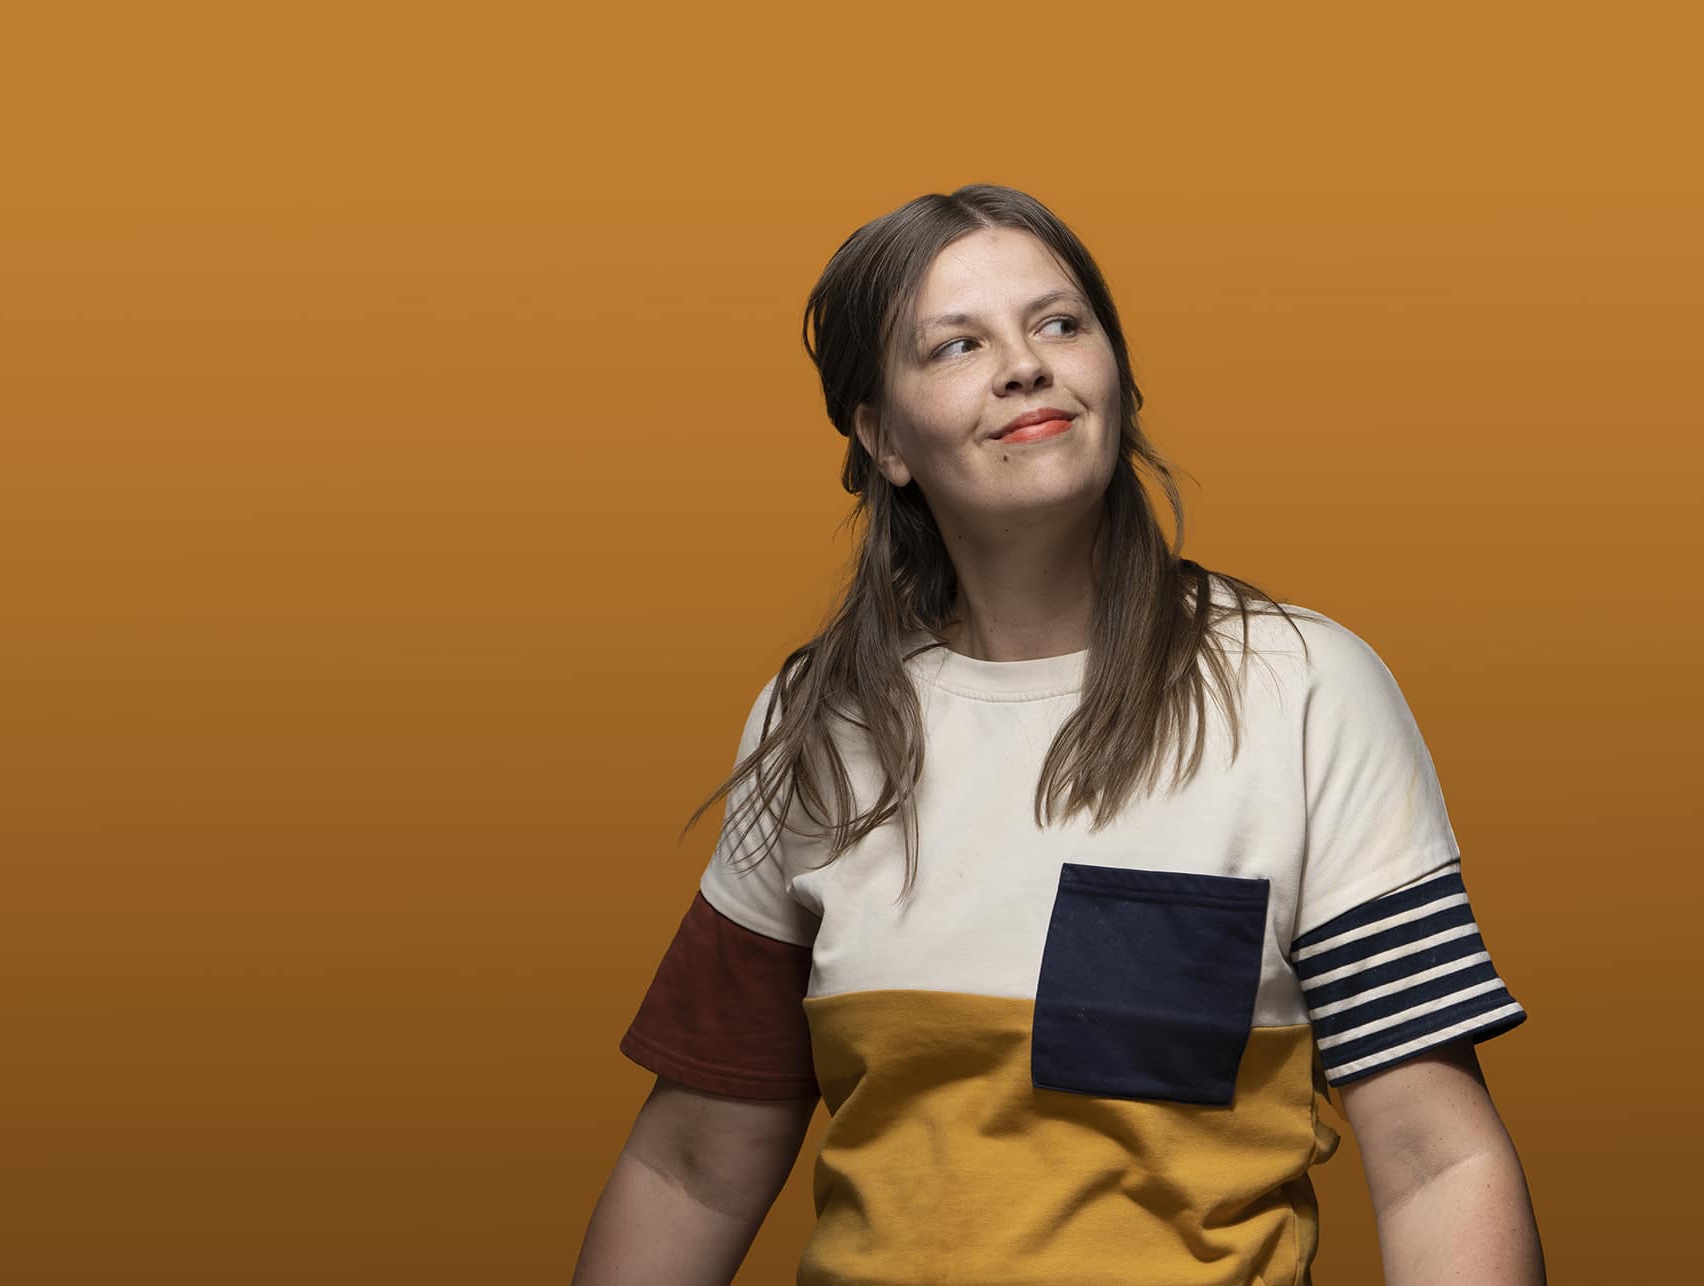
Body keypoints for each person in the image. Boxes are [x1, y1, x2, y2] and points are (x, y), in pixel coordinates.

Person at [572, 184, 1545, 1285]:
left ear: (1118, 380)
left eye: (1058, 322)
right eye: (953, 345)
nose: (1023, 364)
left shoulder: (1302, 688)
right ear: (882, 437)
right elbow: (694, 1162)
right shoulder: (815, 721)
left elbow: (1434, 1159)